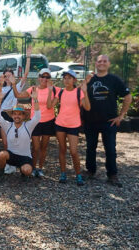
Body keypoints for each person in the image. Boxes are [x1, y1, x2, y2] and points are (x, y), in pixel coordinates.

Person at [82, 55, 132, 187]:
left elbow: (127, 97)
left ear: (108, 64)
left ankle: (112, 174)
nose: (101, 63)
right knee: (90, 148)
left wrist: (120, 116)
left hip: (109, 121)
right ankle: (90, 171)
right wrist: (85, 83)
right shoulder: (90, 79)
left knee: (110, 149)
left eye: (104, 61)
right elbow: (81, 94)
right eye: (99, 61)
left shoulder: (114, 80)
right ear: (96, 64)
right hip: (90, 121)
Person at [12, 68, 59, 177]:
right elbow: (18, 96)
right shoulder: (33, 89)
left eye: (47, 77)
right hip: (35, 121)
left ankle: (40, 168)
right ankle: (32, 167)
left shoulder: (55, 89)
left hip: (49, 121)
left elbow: (69, 91)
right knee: (36, 147)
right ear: (39, 78)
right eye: (42, 76)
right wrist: (14, 84)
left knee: (44, 146)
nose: (44, 79)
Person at [47, 70, 91, 186]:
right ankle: (63, 174)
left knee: (73, 151)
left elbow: (87, 107)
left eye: (69, 78)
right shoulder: (60, 92)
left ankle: (78, 175)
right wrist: (50, 91)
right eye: (65, 78)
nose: (66, 80)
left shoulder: (79, 92)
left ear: (74, 80)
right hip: (60, 124)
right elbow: (50, 105)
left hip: (73, 125)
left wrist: (85, 92)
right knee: (62, 149)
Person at [0, 87, 41, 183]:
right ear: (12, 115)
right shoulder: (8, 125)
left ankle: (23, 173)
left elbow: (37, 116)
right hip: (12, 156)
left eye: (20, 114)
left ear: (24, 116)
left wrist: (35, 99)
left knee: (27, 170)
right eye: (14, 114)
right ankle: (0, 173)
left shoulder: (28, 126)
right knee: (2, 154)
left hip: (25, 158)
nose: (17, 116)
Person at [0, 46, 32, 173]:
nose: (8, 78)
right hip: (3, 114)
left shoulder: (16, 86)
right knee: (6, 142)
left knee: (15, 140)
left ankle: (20, 162)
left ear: (13, 75)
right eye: (5, 76)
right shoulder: (1, 88)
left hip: (14, 115)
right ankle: (9, 164)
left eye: (9, 75)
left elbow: (26, 74)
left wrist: (28, 57)